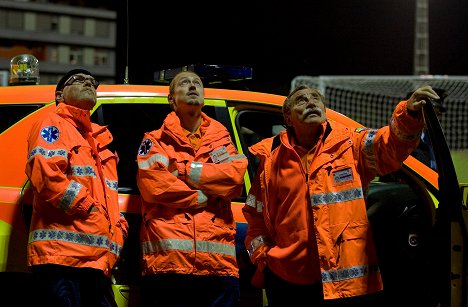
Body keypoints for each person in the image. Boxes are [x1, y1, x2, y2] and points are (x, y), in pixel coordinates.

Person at [242, 84, 439, 306]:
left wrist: (409, 115)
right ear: (288, 118)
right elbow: (254, 214)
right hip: (287, 281)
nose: (310, 102)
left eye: (316, 98)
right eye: (301, 100)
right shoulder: (270, 159)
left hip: (344, 283)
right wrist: (264, 259)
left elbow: (390, 145)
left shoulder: (350, 144)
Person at [136, 71, 248, 307]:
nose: (193, 86)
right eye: (184, 83)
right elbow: (155, 186)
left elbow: (234, 179)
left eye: (197, 83)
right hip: (169, 263)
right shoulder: (155, 140)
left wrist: (184, 171)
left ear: (204, 97)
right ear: (171, 99)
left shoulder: (222, 139)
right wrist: (204, 195)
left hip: (219, 265)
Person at [25, 69, 128, 307]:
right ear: (59, 95)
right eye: (79, 80)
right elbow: (47, 176)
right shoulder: (52, 124)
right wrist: (90, 209)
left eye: (92, 82)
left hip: (97, 260)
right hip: (60, 257)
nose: (89, 84)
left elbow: (107, 195)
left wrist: (118, 229)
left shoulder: (101, 140)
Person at [411, 88, 448, 170]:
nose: (437, 119)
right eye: (434, 113)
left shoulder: (434, 140)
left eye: (438, 114)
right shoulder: (405, 141)